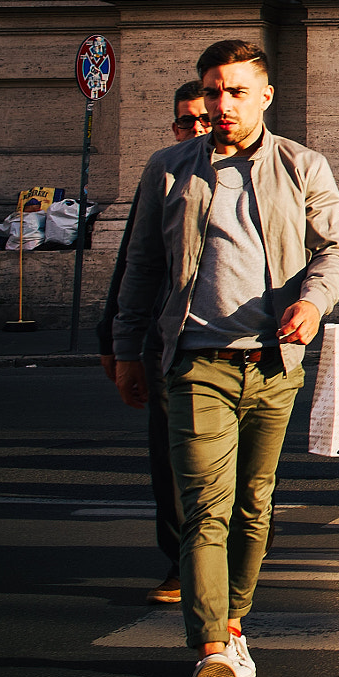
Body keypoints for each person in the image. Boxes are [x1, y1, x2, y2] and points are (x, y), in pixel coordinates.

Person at [112, 38, 339, 677]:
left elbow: (332, 252)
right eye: (213, 92)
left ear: (265, 96)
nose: (222, 105)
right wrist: (129, 352)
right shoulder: (169, 170)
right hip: (196, 365)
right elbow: (141, 270)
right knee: (204, 511)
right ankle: (213, 647)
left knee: (254, 507)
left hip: (273, 366)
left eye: (237, 92)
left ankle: (236, 621)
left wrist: (313, 302)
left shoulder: (303, 166)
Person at [97, 80, 210, 606]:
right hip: (168, 341)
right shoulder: (163, 171)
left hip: (238, 341)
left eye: (204, 120)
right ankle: (181, 561)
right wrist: (115, 341)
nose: (198, 129)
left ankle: (241, 542)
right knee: (171, 458)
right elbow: (133, 261)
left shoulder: (263, 169)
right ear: (174, 127)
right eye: (187, 122)